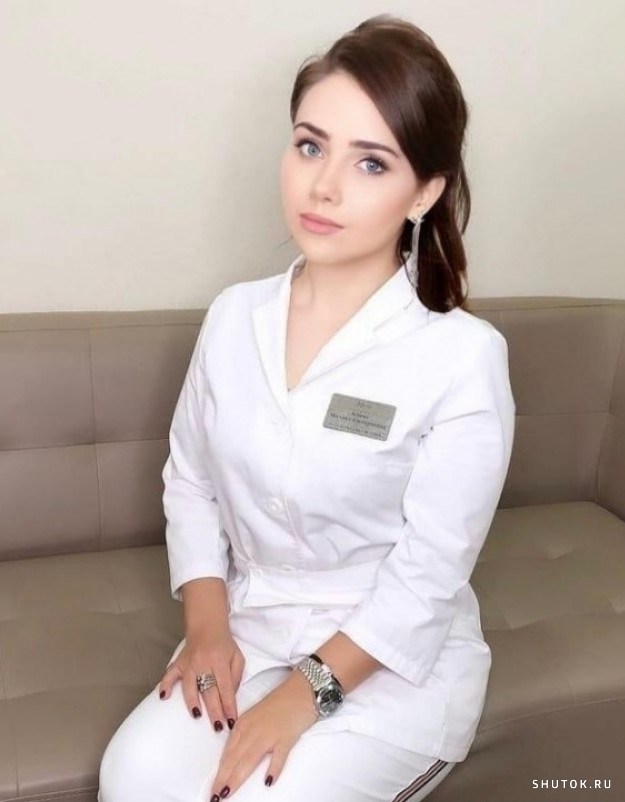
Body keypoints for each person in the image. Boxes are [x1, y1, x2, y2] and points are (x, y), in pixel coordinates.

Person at [98, 12, 515, 802]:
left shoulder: (461, 357)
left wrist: (305, 693)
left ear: (425, 191)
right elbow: (190, 480)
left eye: (371, 162)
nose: (323, 186)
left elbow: (428, 573)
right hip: (250, 623)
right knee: (133, 776)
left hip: (387, 657)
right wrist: (206, 628)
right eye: (310, 145)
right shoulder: (233, 316)